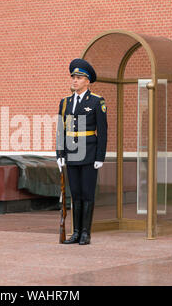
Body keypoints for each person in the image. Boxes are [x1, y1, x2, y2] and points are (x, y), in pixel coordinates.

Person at [56, 58, 108, 245]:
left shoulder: (96, 102)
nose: (75, 81)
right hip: (71, 154)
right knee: (75, 194)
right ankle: (76, 232)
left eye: (79, 78)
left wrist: (100, 156)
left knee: (87, 194)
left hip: (89, 153)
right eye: (73, 77)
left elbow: (102, 131)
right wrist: (60, 154)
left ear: (87, 81)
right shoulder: (65, 103)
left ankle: (86, 233)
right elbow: (61, 129)